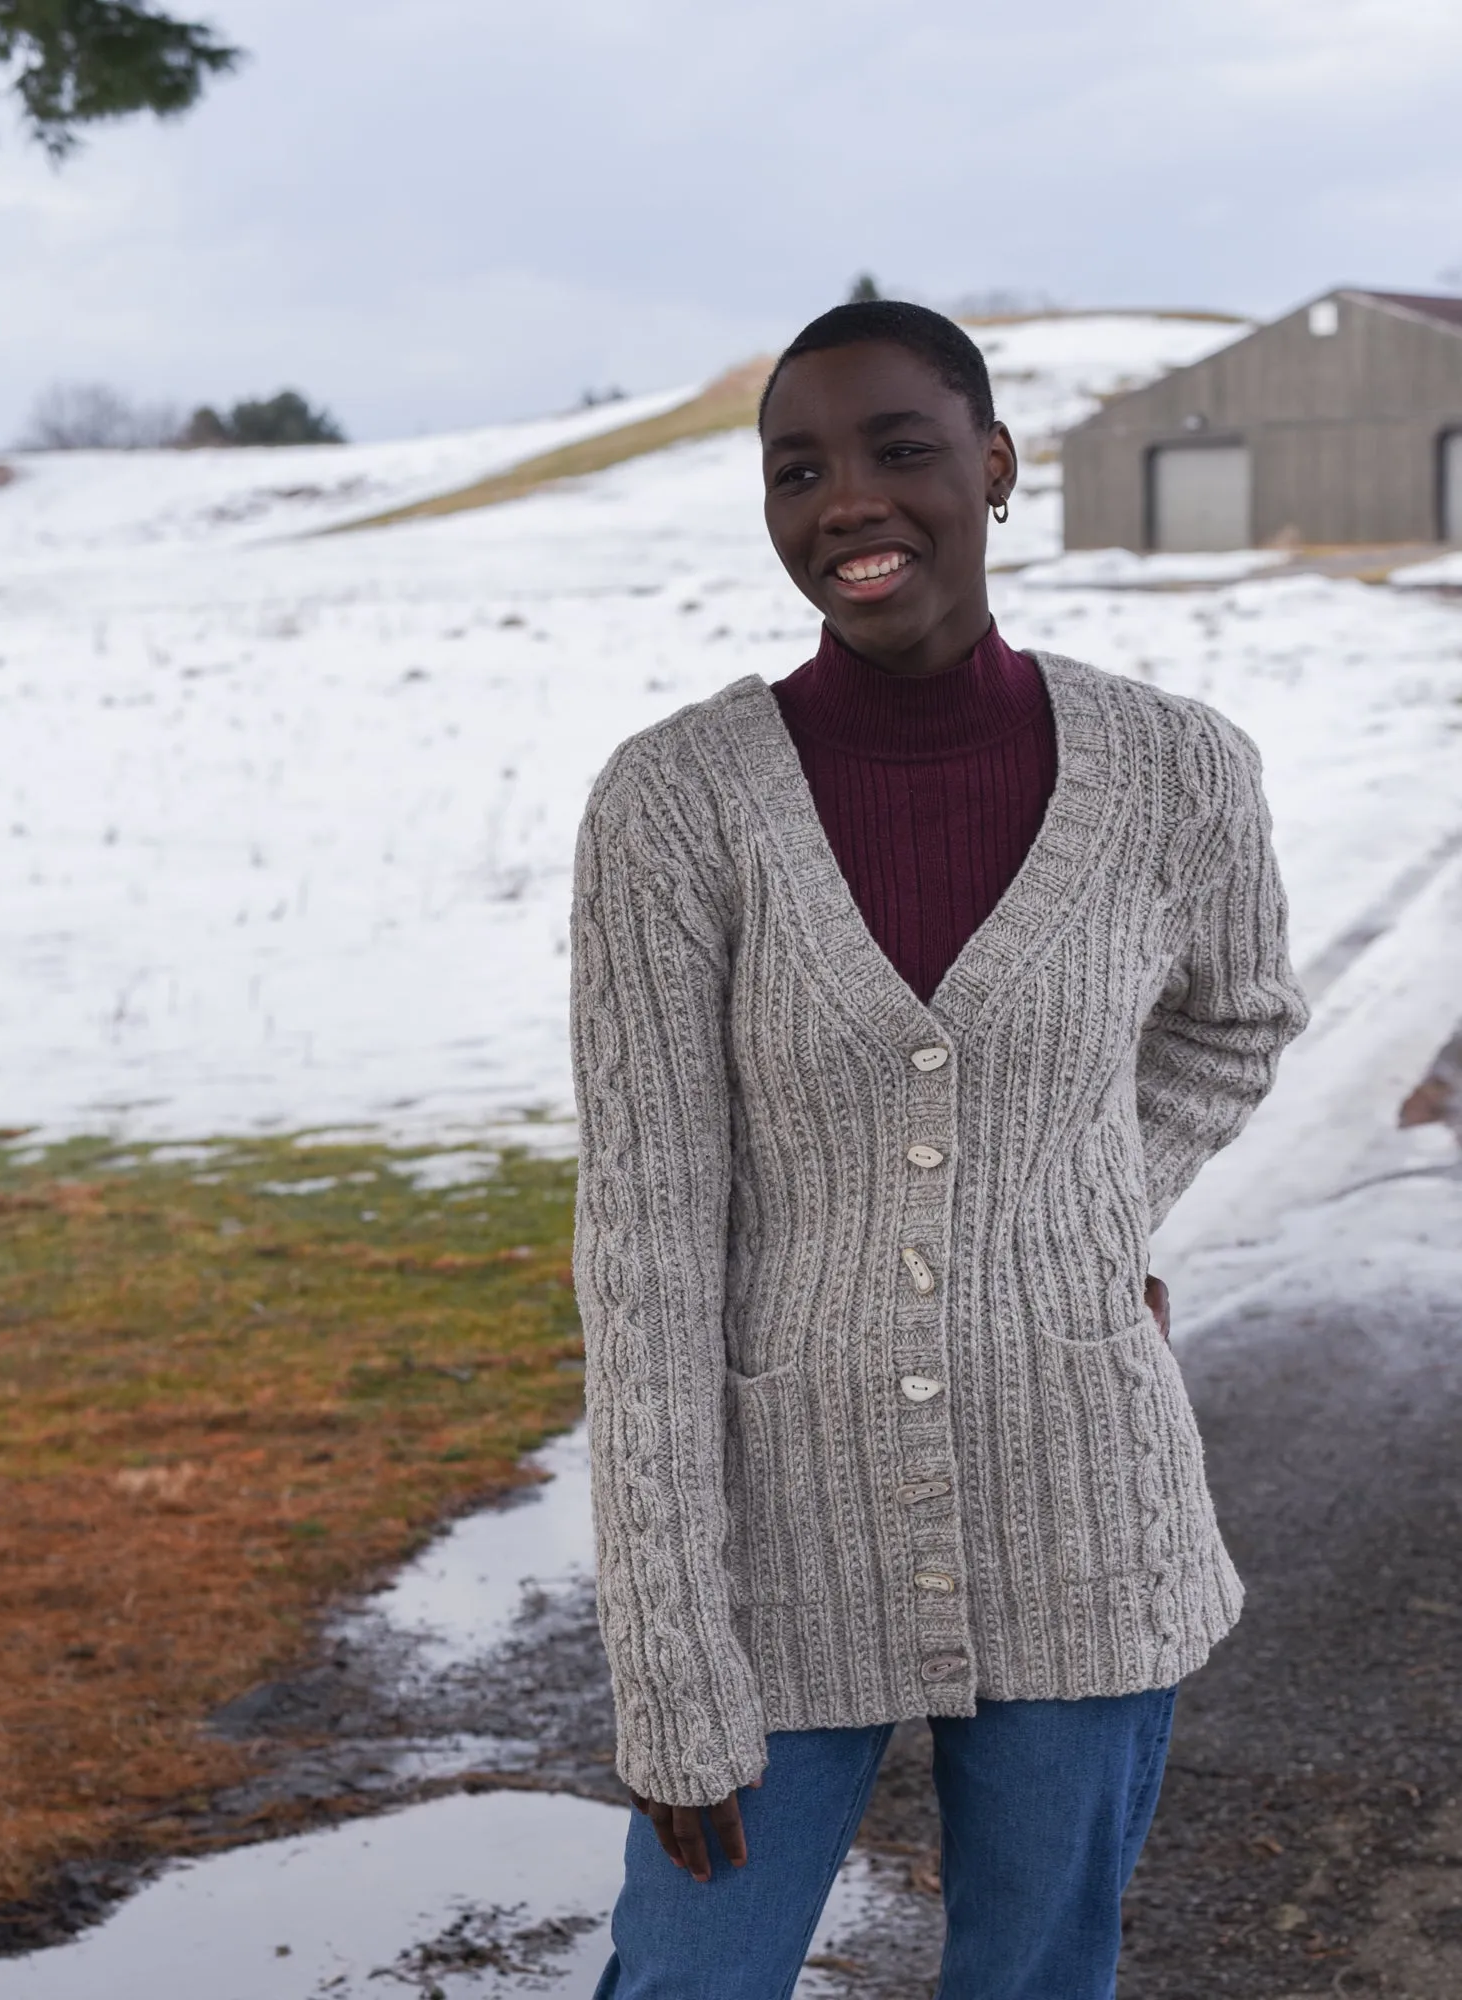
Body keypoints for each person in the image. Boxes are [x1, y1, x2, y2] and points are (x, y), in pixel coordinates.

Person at [570, 300, 1308, 1998]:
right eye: (799, 471)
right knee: (687, 1977)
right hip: (776, 1534)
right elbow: (649, 1246)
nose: (849, 502)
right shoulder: (677, 805)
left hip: (1083, 1513)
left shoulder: (1176, 771)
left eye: (899, 451)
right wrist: (671, 1660)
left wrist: (1082, 1211)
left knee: (1039, 1979)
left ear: (993, 466)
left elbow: (1237, 1017)